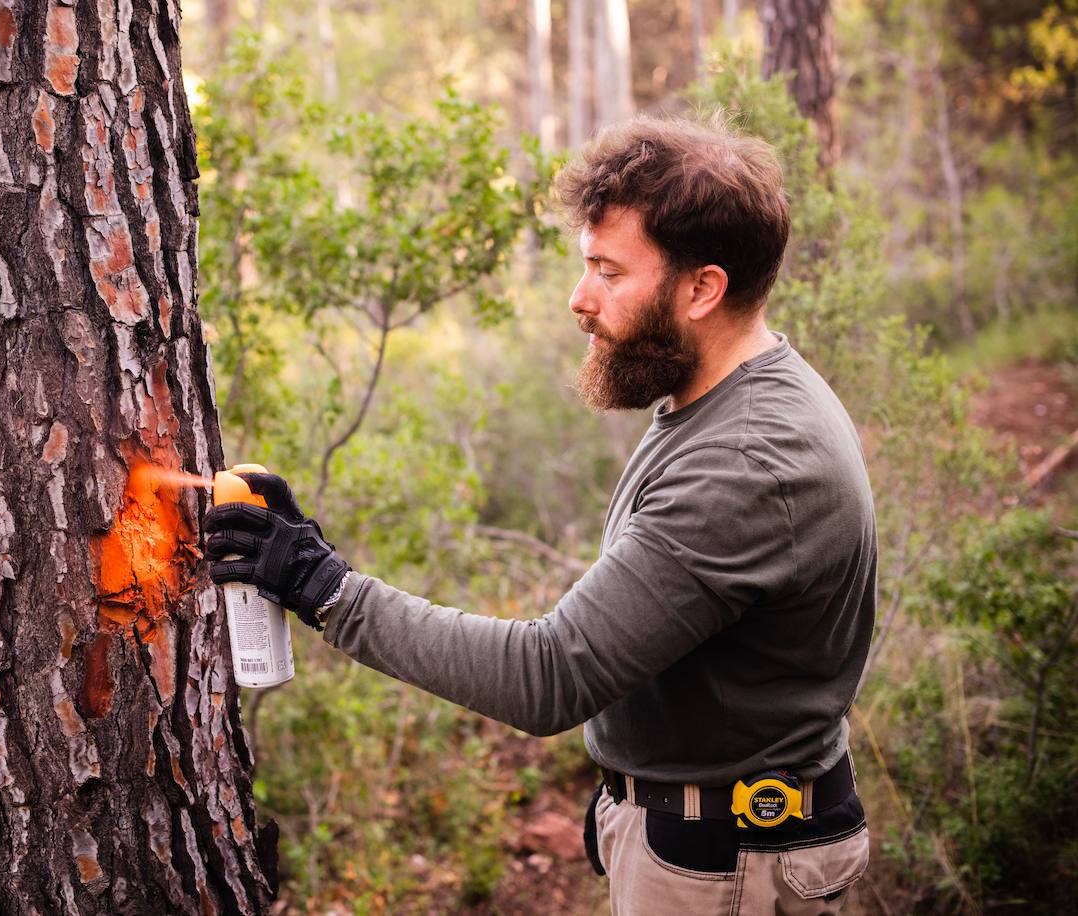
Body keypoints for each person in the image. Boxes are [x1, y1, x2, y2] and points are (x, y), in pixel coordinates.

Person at [203, 115, 876, 915]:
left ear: (703, 288)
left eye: (609, 272)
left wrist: (322, 587)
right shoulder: (723, 401)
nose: (579, 299)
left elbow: (550, 677)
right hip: (709, 836)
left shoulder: (748, 462)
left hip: (732, 866)